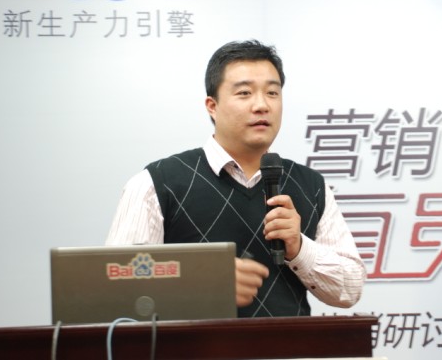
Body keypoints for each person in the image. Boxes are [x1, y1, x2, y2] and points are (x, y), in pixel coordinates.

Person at [106, 39, 366, 317]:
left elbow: (350, 288)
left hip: (290, 342)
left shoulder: (311, 185)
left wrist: (299, 247)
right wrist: (201, 285)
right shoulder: (158, 183)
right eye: (244, 93)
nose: (262, 105)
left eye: (272, 93)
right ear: (212, 106)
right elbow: (116, 285)